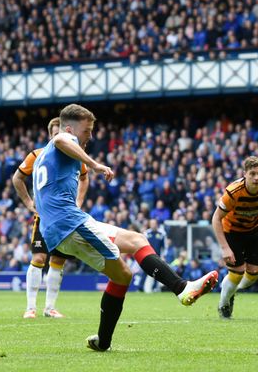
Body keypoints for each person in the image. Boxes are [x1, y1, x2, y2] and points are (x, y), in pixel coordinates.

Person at [32, 104, 218, 351]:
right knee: (128, 261)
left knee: (131, 254)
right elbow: (62, 140)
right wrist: (95, 164)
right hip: (70, 225)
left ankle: (103, 341)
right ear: (70, 128)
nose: (90, 136)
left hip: (66, 224)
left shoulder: (42, 157)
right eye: (87, 131)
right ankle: (182, 289)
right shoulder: (62, 138)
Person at [13, 117, 89, 318]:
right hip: (45, 216)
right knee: (39, 257)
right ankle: (30, 307)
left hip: (65, 216)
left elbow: (84, 177)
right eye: (56, 135)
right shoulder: (37, 155)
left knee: (58, 260)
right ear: (50, 136)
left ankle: (50, 308)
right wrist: (30, 204)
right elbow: (17, 178)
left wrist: (79, 202)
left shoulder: (75, 156)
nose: (60, 140)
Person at [211, 156, 258, 319]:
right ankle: (224, 303)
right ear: (244, 174)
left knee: (254, 274)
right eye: (253, 174)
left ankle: (231, 290)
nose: (257, 178)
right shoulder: (233, 192)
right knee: (237, 272)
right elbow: (216, 218)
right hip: (232, 232)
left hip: (253, 230)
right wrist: (224, 247)